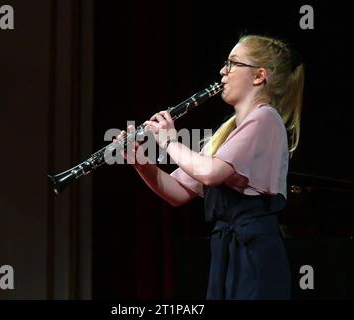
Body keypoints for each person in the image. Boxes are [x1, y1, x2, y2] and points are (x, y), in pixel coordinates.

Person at [114, 34, 304, 300]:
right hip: (228, 252)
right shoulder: (228, 132)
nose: (222, 71)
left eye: (233, 63)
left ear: (259, 76)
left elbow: (210, 173)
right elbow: (177, 192)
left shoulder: (265, 119)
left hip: (253, 254)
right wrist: (140, 162)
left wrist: (169, 141)